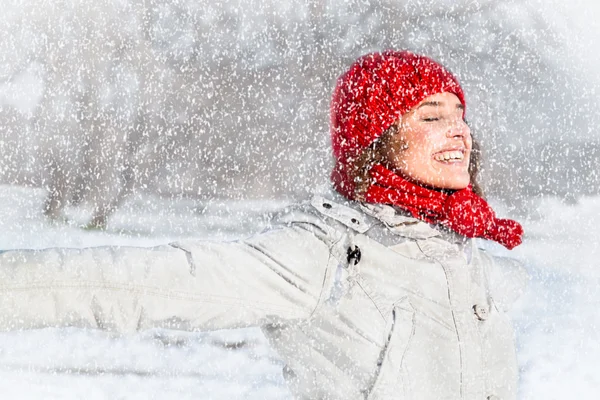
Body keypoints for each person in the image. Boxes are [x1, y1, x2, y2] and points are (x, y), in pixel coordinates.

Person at [0, 50, 526, 400]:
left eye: (459, 114)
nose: (458, 130)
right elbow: (145, 281)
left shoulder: (460, 248)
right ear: (376, 141)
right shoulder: (327, 255)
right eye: (430, 116)